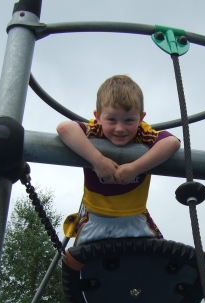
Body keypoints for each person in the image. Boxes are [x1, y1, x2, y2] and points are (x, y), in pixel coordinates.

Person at [56, 75, 180, 246]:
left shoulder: (142, 133)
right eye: (111, 120)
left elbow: (172, 143)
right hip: (95, 219)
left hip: (135, 219)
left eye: (129, 120)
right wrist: (98, 160)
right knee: (81, 260)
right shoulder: (95, 130)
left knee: (156, 259)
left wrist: (135, 168)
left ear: (141, 118)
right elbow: (64, 128)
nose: (120, 128)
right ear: (98, 116)